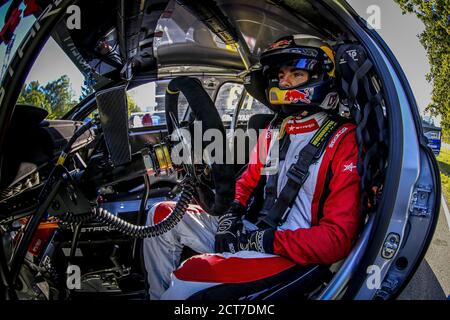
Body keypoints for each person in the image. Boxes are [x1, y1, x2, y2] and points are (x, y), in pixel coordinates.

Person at [143, 34, 361, 300]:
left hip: (289, 250)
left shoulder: (343, 140)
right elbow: (246, 183)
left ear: (320, 77)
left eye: (296, 73)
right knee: (161, 215)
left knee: (191, 276)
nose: (284, 82)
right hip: (252, 229)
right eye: (281, 75)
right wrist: (229, 217)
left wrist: (265, 241)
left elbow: (336, 240)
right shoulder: (274, 129)